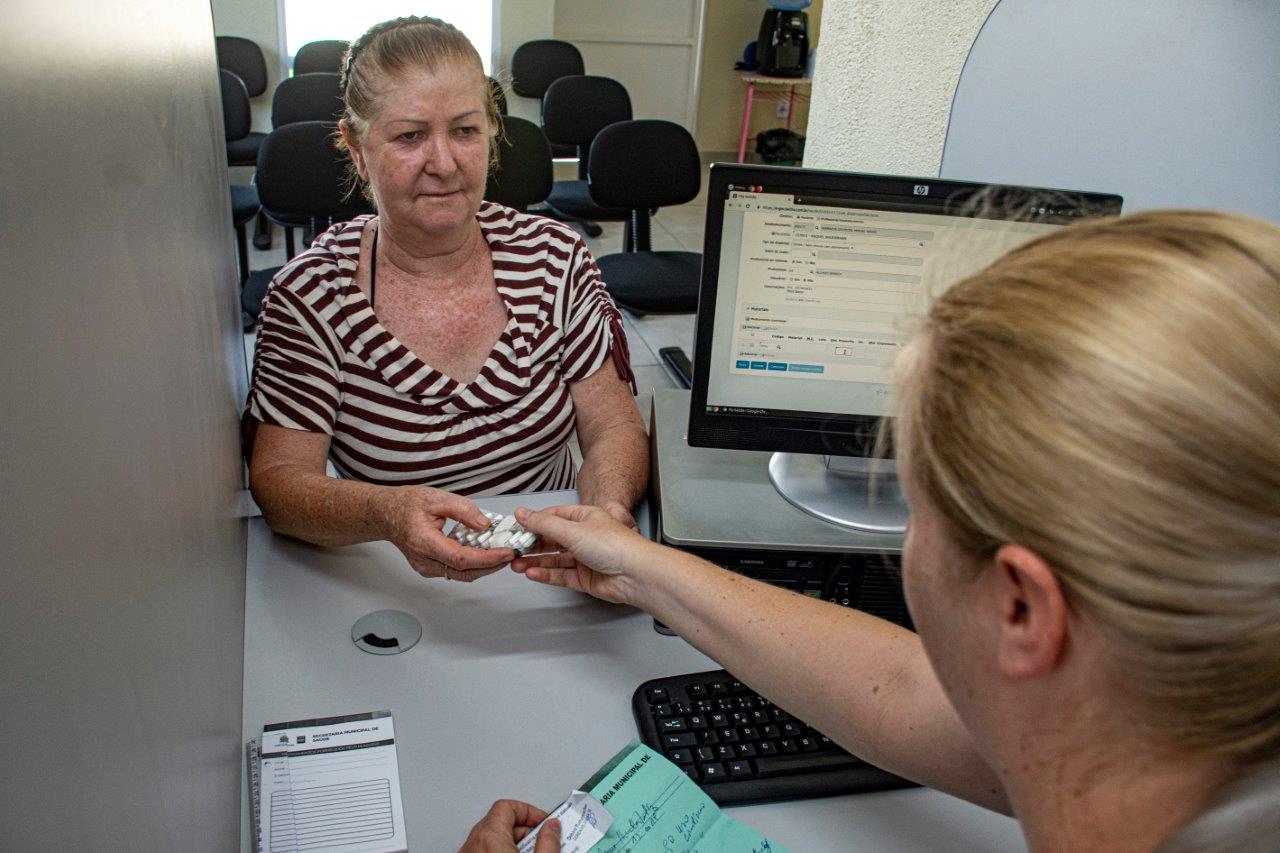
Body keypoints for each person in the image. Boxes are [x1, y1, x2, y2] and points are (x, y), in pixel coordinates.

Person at [486, 211, 1279, 850]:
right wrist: (638, 565)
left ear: (1022, 609)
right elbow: (902, 690)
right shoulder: (1158, 737)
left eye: (917, 498)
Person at [243, 17, 647, 582]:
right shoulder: (312, 295)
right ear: (358, 151)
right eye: (410, 136)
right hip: (394, 585)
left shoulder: (556, 258)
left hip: (554, 573)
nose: (445, 162)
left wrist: (606, 515)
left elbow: (612, 426)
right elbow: (281, 480)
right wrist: (384, 513)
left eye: (464, 130)